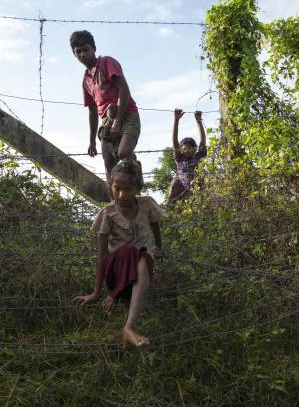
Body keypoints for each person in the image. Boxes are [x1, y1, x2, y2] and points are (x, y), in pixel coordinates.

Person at [73, 158, 162, 349]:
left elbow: (155, 226)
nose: (121, 194)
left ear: (138, 189)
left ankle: (129, 327)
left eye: (127, 189)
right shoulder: (108, 213)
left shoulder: (146, 205)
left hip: (141, 268)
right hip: (117, 269)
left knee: (145, 255)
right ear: (110, 186)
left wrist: (159, 248)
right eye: (116, 188)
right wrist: (97, 292)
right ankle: (115, 294)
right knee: (132, 250)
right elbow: (103, 255)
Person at [69, 30, 141, 184]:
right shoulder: (86, 81)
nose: (82, 54)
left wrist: (117, 121)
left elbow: (124, 91)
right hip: (106, 122)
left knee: (123, 153)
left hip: (127, 114)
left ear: (94, 48)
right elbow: (92, 112)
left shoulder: (106, 63)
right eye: (78, 52)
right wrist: (91, 141)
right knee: (108, 163)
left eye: (86, 49)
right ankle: (114, 202)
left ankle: (137, 183)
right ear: (74, 55)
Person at [167, 108, 207, 206]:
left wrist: (199, 121)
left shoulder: (197, 158)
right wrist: (176, 120)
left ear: (194, 149)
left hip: (196, 190)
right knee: (175, 181)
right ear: (181, 149)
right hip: (181, 191)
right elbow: (175, 141)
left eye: (190, 148)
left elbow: (202, 141)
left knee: (202, 181)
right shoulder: (179, 159)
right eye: (184, 148)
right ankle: (170, 207)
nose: (187, 150)